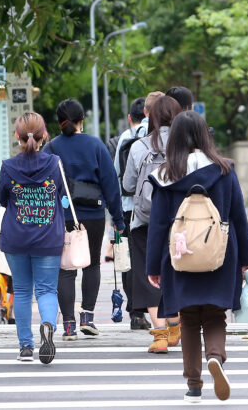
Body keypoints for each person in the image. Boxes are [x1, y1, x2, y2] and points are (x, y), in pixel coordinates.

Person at [146, 111, 248, 403]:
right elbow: (238, 217)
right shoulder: (224, 170)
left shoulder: (166, 176)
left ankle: (194, 385)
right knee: (215, 314)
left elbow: (157, 226)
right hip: (220, 255)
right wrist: (246, 257)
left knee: (189, 318)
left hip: (180, 258)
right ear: (206, 135)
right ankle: (216, 357)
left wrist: (154, 266)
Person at [44, 98, 125, 339]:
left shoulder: (52, 148)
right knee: (92, 265)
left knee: (66, 268)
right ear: (82, 120)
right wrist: (118, 219)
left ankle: (68, 324)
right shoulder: (96, 145)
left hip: (64, 214)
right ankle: (87, 317)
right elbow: (110, 183)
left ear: (59, 123)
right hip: (93, 214)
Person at [0, 112, 66, 364]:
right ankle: (48, 325)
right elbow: (59, 193)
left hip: (16, 237)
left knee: (23, 290)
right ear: (44, 135)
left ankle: (26, 346)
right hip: (48, 237)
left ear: (17, 136)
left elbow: (3, 199)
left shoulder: (8, 166)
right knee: (47, 289)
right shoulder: (55, 163)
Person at [122, 96, 182, 353]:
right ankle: (176, 322)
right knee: (178, 270)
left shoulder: (139, 146)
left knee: (148, 275)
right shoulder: (188, 146)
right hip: (181, 219)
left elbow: (127, 185)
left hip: (146, 218)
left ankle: (159, 336)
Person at [110, 96, 148, 330]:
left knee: (128, 260)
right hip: (150, 207)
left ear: (129, 117)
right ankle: (157, 309)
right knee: (149, 257)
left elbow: (116, 174)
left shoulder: (125, 137)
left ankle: (135, 312)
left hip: (126, 208)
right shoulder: (155, 136)